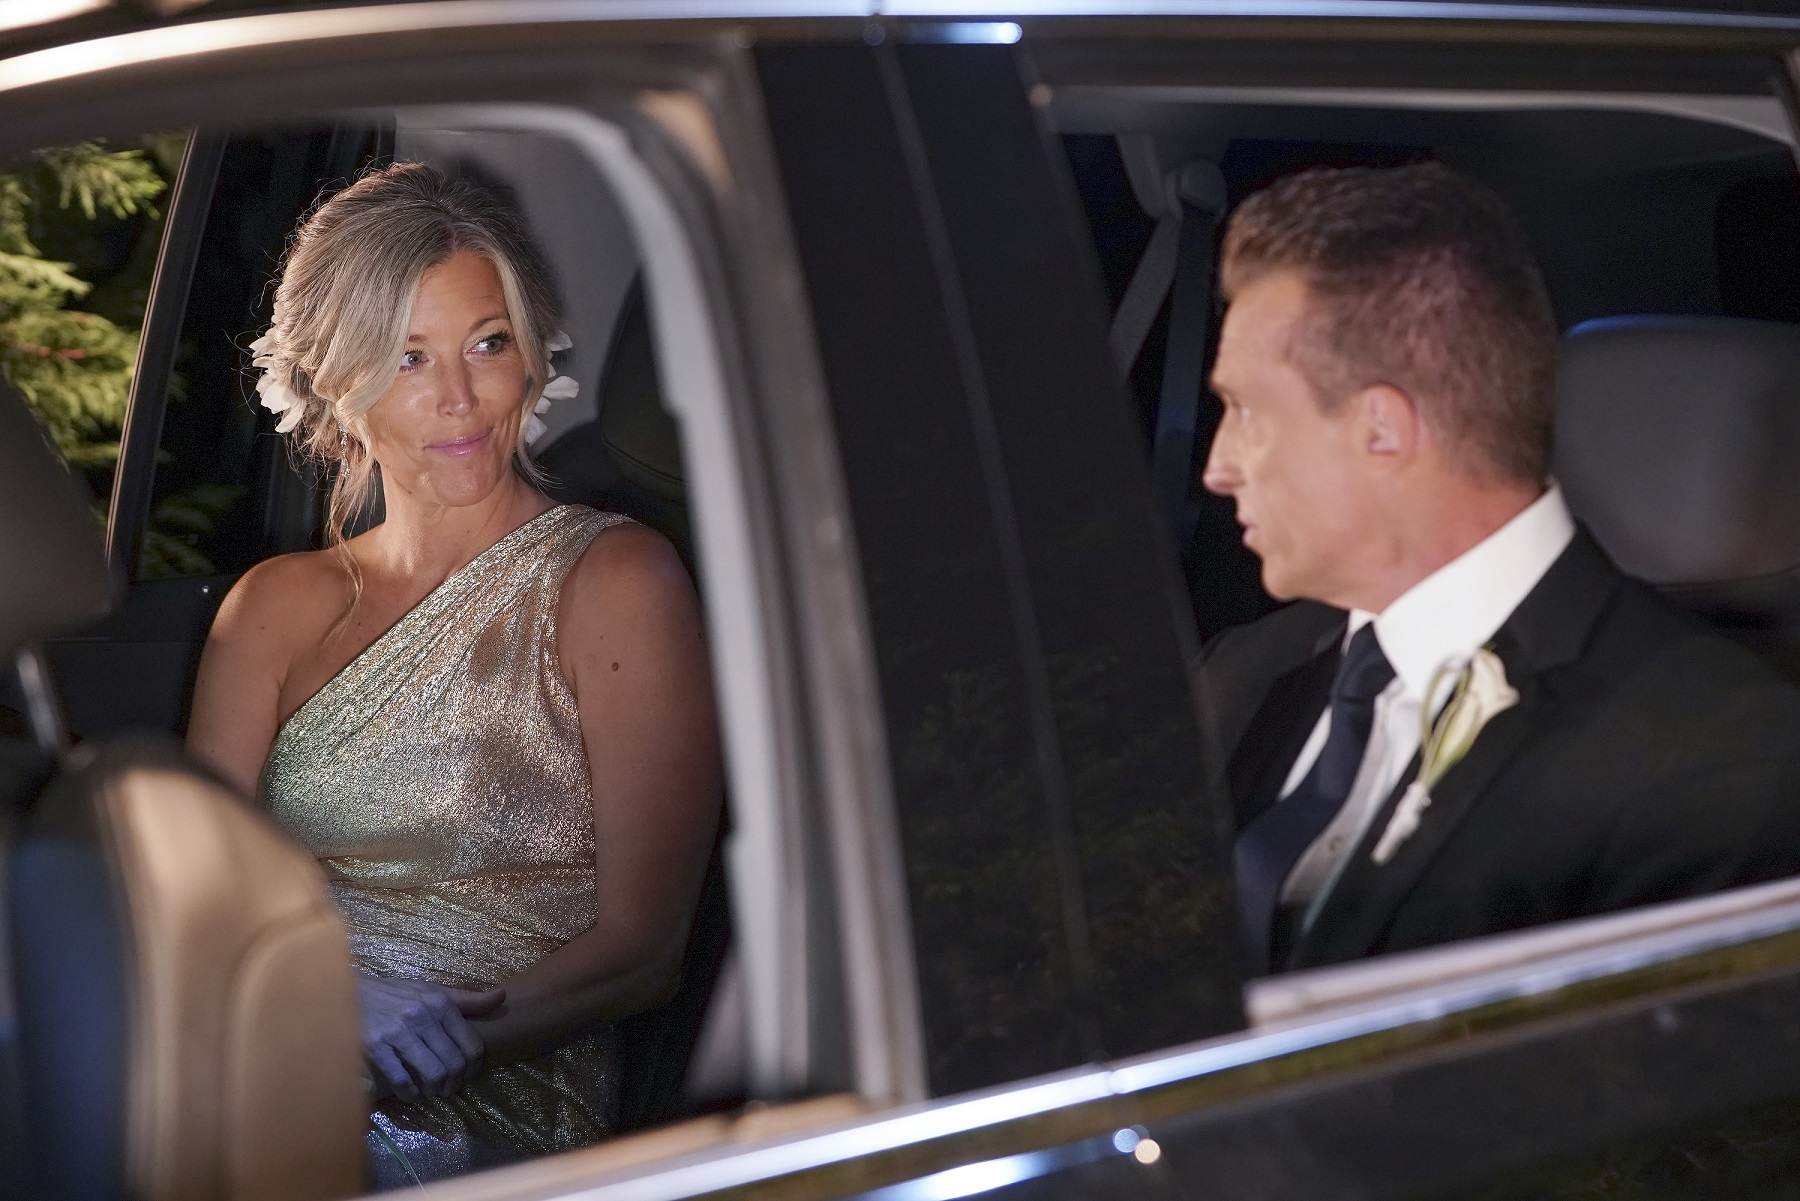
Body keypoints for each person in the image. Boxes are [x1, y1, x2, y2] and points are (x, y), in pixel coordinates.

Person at [186, 163, 723, 1185]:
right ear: (335, 382)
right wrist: (325, 1008)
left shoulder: (616, 580)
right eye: (409, 357)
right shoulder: (270, 607)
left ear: (532, 353)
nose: (461, 397)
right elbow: (192, 897)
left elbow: (644, 950)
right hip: (272, 1049)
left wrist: (408, 1048)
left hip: (493, 1096)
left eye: (488, 342)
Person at [1196, 162, 1800, 977]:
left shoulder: (1716, 758)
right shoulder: (1239, 674)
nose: (1219, 467)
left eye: (1245, 410)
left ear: (1382, 430)